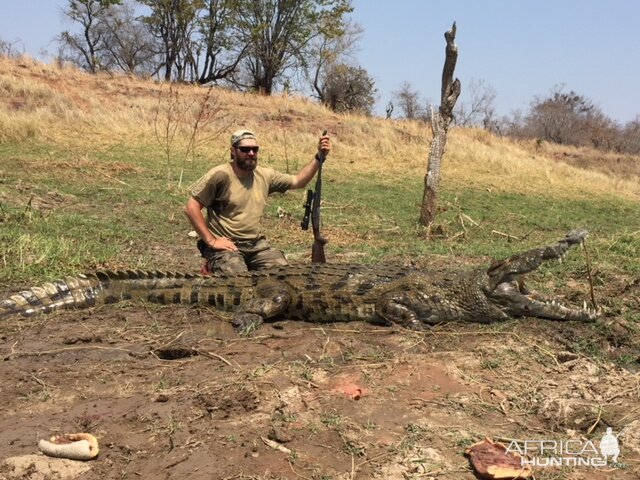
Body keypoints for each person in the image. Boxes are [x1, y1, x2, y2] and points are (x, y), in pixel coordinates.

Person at [184, 129, 330, 274]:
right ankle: (212, 265)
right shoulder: (220, 175)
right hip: (227, 246)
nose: (251, 153)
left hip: (256, 245)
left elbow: (298, 181)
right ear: (233, 151)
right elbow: (191, 207)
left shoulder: (265, 175)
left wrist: (319, 157)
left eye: (255, 149)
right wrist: (211, 241)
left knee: (284, 276)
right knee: (238, 282)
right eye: (245, 149)